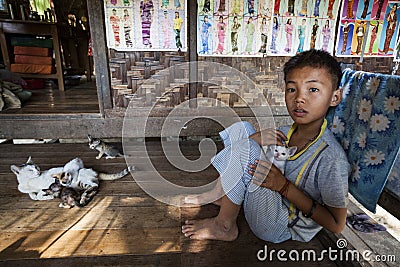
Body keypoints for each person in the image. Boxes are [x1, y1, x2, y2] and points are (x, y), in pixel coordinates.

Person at [182, 49, 349, 243]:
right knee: (242, 129)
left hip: (281, 223)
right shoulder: (287, 131)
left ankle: (225, 225)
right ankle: (220, 194)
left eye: (313, 90)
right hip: (269, 197)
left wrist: (284, 187)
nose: (299, 98)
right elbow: (245, 150)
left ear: (334, 97)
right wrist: (255, 137)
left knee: (248, 147)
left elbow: (337, 224)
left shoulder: (331, 158)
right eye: (292, 89)